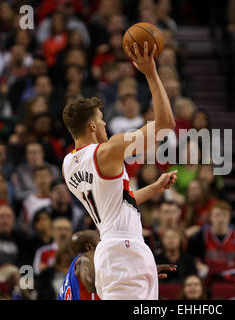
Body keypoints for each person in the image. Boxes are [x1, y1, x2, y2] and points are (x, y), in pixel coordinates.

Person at [62, 41, 176, 300]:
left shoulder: (68, 166)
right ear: (92, 126)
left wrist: (155, 188)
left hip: (118, 250)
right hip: (122, 250)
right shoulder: (107, 151)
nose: (105, 127)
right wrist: (150, 73)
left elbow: (117, 202)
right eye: (102, 122)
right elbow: (166, 124)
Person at [187, 201, 235, 283]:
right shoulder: (202, 236)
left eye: (224, 215)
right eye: (217, 215)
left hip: (232, 275)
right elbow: (196, 260)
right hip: (210, 275)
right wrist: (201, 267)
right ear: (211, 217)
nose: (220, 219)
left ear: (229, 217)